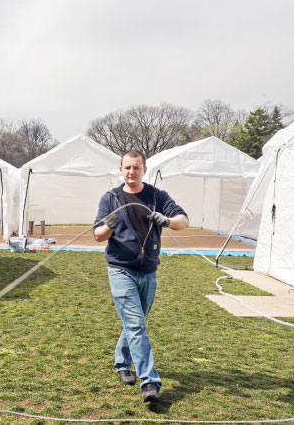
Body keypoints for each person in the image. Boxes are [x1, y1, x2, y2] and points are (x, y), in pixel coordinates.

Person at [93, 150, 189, 402]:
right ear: (120, 170)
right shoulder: (111, 198)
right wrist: (109, 225)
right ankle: (150, 381)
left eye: (136, 168)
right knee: (136, 325)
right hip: (120, 270)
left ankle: (122, 363)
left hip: (148, 272)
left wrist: (166, 220)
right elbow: (98, 235)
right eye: (127, 167)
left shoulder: (157, 196)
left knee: (136, 323)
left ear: (144, 170)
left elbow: (183, 221)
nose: (131, 172)